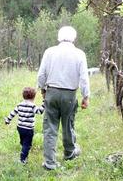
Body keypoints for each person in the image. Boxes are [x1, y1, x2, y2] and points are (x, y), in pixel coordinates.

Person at [37, 26, 90, 170]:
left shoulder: (50, 52)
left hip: (52, 92)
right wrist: (86, 96)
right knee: (68, 124)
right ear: (74, 38)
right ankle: (69, 152)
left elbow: (41, 74)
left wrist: (42, 89)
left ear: (59, 37)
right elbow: (84, 78)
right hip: (70, 95)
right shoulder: (79, 54)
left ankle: (49, 162)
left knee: (50, 127)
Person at [4, 87, 45, 164]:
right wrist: (44, 103)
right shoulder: (32, 106)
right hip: (28, 129)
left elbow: (13, 113)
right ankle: (23, 159)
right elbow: (40, 111)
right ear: (33, 97)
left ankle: (24, 150)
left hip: (20, 128)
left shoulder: (19, 105)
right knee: (27, 144)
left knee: (23, 142)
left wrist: (7, 120)